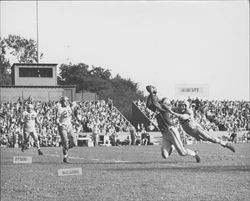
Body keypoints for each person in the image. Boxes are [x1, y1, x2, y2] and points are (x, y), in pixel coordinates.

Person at [146, 85, 200, 162]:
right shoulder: (159, 108)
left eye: (163, 102)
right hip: (165, 134)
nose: (161, 102)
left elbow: (154, 103)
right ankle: (172, 146)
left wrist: (151, 92)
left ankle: (194, 153)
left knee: (182, 152)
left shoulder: (164, 108)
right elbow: (148, 105)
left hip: (171, 131)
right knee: (165, 155)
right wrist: (151, 94)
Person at [168, 100, 235, 152]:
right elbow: (169, 108)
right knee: (204, 139)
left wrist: (173, 113)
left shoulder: (189, 111)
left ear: (186, 106)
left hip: (196, 129)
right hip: (189, 131)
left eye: (183, 106)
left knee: (209, 138)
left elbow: (183, 117)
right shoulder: (177, 109)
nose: (181, 107)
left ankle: (224, 143)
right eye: (180, 105)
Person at [56, 96, 79, 163]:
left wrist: (75, 122)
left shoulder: (69, 107)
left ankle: (65, 149)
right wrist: (59, 123)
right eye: (65, 101)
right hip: (62, 127)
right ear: (62, 102)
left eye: (67, 101)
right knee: (65, 143)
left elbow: (72, 115)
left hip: (69, 126)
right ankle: (65, 157)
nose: (66, 102)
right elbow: (57, 119)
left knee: (74, 143)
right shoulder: (59, 109)